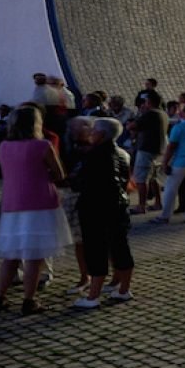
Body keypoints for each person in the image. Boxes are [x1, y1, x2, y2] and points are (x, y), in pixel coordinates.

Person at [0, 105, 71, 315]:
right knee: (35, 256)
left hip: (12, 203)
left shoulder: (4, 146)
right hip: (39, 203)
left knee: (11, 255)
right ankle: (29, 299)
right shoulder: (42, 145)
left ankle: (0, 297)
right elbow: (59, 173)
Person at [70, 118, 135, 309]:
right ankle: (124, 289)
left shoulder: (96, 155)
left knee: (96, 250)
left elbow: (88, 182)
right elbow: (124, 180)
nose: (91, 133)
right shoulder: (122, 154)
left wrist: (73, 180)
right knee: (120, 247)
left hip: (96, 208)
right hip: (118, 207)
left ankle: (93, 296)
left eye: (94, 130)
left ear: (103, 134)